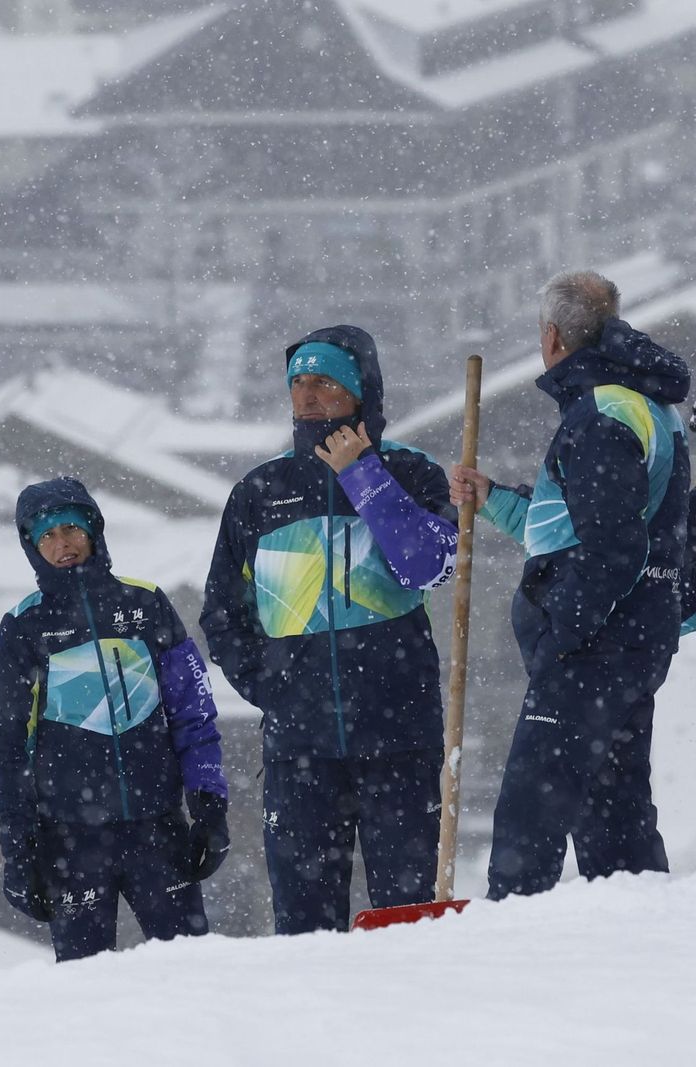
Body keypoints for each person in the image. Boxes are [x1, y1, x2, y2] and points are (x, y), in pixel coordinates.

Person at [200, 326, 458, 934]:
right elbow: (223, 611)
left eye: (324, 382)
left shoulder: (410, 472)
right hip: (300, 749)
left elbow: (428, 565)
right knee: (303, 929)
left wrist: (363, 475)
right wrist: (272, 688)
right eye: (298, 383)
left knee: (407, 921)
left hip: (399, 736)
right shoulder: (260, 492)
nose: (308, 395)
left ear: (359, 392)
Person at [449, 271, 688, 900]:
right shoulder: (642, 404)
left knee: (533, 807)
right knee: (614, 806)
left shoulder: (604, 413)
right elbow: (570, 529)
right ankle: (631, 921)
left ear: (552, 336)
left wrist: (564, 631)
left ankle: (512, 928)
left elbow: (610, 548)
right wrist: (493, 500)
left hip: (595, 644)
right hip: (633, 635)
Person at [0, 477, 229, 961]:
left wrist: (209, 806)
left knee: (191, 973)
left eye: (71, 529)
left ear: (93, 530)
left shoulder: (146, 603)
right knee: (85, 988)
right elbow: (9, 752)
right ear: (31, 547)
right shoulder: (22, 628)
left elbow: (193, 711)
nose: (62, 544)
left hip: (157, 829)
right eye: (47, 535)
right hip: (70, 841)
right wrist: (19, 851)